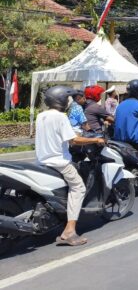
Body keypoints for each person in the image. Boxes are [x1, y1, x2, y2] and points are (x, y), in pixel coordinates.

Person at [35, 86, 105, 246]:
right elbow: (74, 140)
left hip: (41, 161)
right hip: (59, 162)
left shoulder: (41, 116)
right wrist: (96, 140)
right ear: (60, 100)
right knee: (79, 188)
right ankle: (70, 231)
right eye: (67, 99)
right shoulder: (60, 117)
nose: (69, 101)